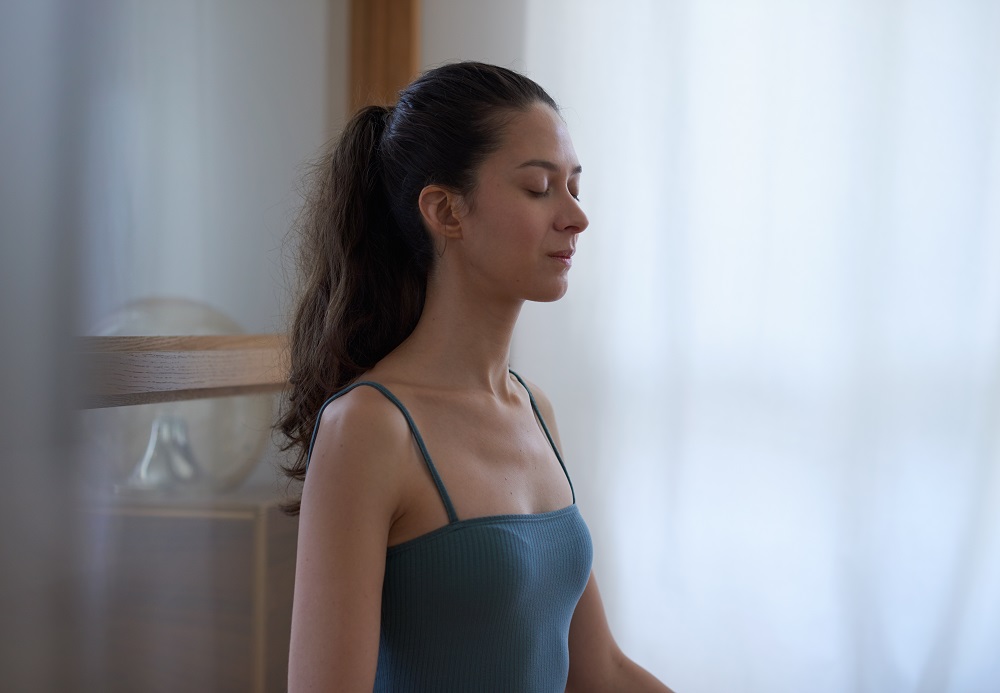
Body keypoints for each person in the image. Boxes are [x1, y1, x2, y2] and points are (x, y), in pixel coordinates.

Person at [278, 61, 674, 692]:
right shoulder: (370, 428)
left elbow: (600, 672)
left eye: (575, 186)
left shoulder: (535, 410)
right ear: (445, 210)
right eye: (540, 188)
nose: (576, 216)